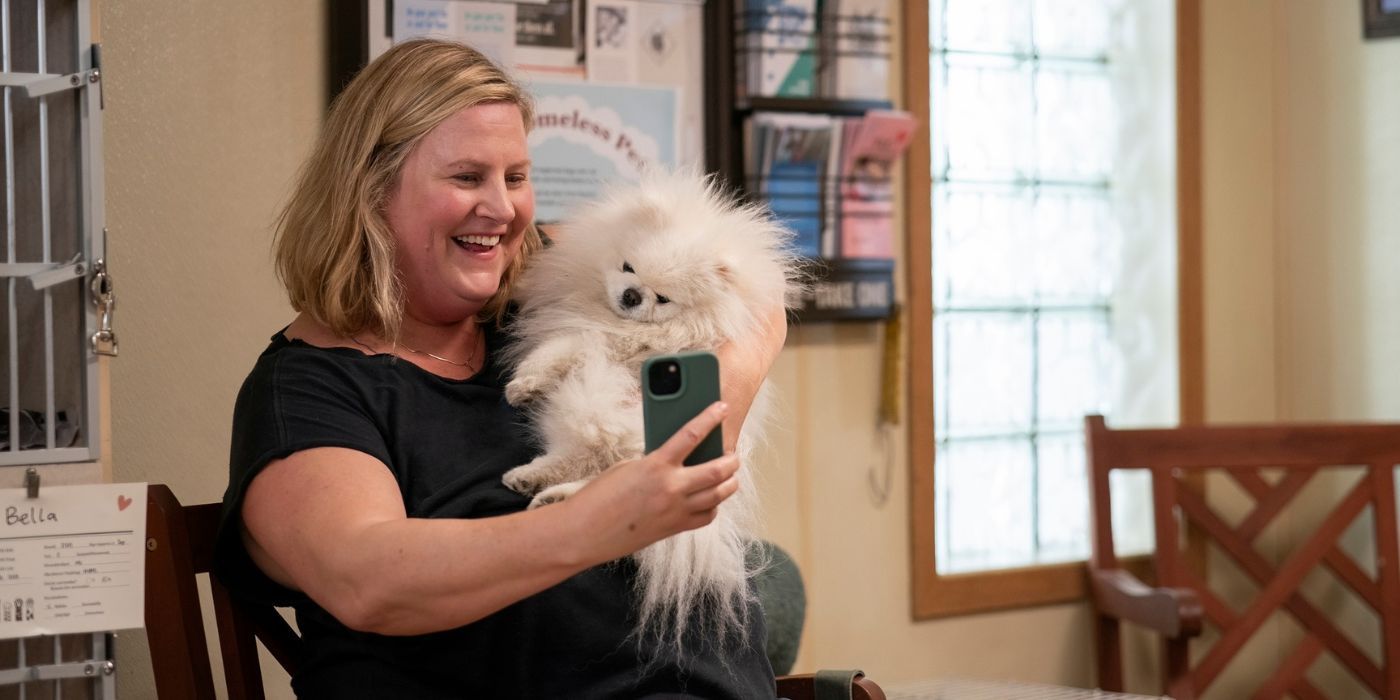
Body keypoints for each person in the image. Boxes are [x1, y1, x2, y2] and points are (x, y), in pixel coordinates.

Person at [213, 39, 787, 698]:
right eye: (466, 178)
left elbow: (758, 301)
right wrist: (599, 521)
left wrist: (700, 422)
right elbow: (366, 582)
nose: (504, 209)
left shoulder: (541, 305)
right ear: (371, 190)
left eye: (515, 177)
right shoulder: (309, 390)